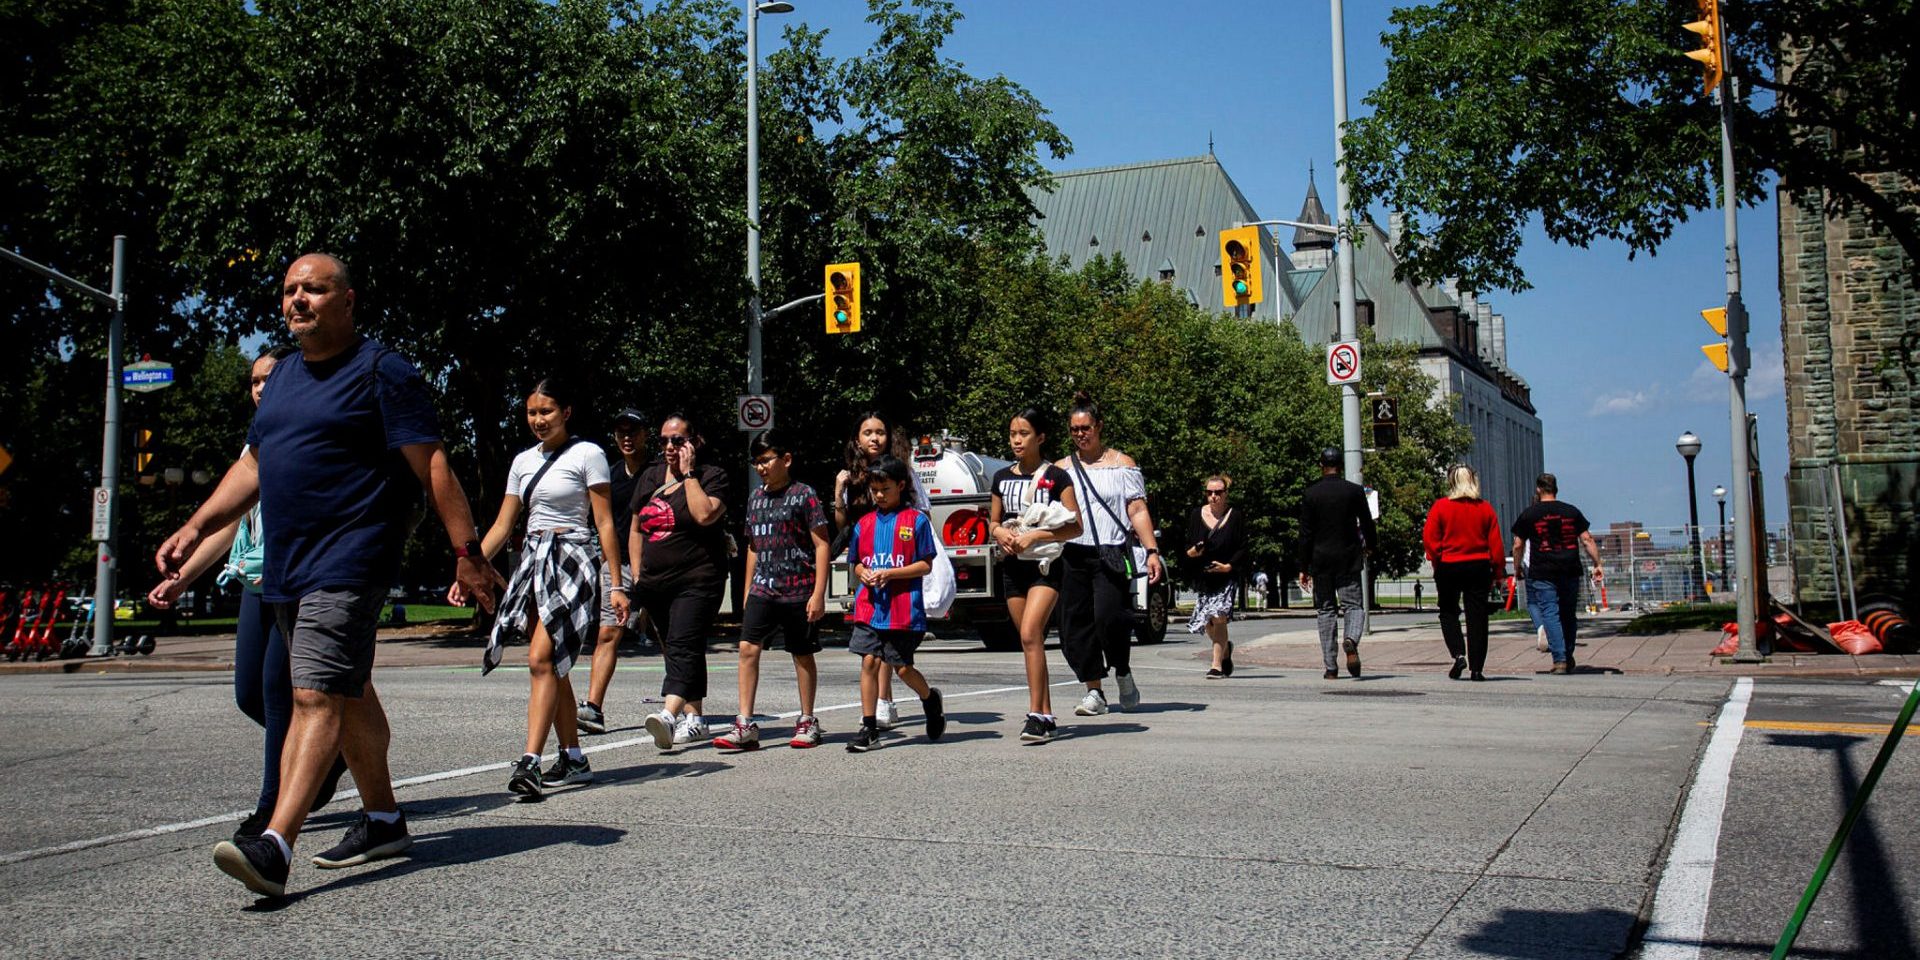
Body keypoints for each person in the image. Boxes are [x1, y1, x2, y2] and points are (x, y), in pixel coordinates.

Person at [160, 252, 502, 898]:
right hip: (289, 563)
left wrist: (468, 552)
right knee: (348, 692)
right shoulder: (284, 376)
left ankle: (275, 843)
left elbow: (432, 466)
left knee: (313, 695)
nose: (298, 301)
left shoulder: (382, 370)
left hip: (350, 559)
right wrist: (197, 525)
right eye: (290, 291)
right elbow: (254, 466)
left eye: (313, 290)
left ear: (347, 301)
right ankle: (382, 819)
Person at [146, 344, 347, 841]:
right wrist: (184, 576)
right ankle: (330, 754)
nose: (260, 388)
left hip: (298, 580)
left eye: (269, 379)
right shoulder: (253, 449)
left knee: (281, 696)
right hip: (255, 581)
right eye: (254, 382)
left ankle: (271, 810)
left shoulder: (306, 434)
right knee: (248, 695)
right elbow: (228, 522)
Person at [468, 379, 626, 799]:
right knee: (555, 662)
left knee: (540, 657)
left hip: (573, 561)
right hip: (535, 561)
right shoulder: (522, 461)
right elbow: (504, 525)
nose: (538, 420)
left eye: (547, 412)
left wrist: (617, 583)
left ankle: (530, 763)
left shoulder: (588, 453)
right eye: (532, 413)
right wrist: (470, 566)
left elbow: (604, 522)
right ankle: (574, 757)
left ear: (566, 412)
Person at [717, 429, 832, 750]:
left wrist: (818, 593)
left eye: (766, 460)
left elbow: (821, 544)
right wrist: (746, 591)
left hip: (799, 589)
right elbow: (752, 547)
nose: (761, 467)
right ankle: (745, 723)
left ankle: (808, 719)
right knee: (747, 649)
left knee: (802, 654)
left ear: (786, 459)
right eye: (756, 462)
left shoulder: (804, 495)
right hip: (763, 589)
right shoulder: (755, 499)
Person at [1056, 392, 1165, 715]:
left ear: (1099, 426)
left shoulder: (1122, 465)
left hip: (1111, 553)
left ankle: (1122, 669)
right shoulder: (1062, 469)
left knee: (1109, 618)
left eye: (1086, 427)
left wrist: (1151, 551)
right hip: (1073, 553)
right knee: (1075, 626)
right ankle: (1094, 691)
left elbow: (1137, 509)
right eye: (1074, 429)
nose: (1080, 434)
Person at [631, 412, 732, 752]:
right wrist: (635, 573)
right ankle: (697, 720)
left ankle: (669, 714)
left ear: (694, 442)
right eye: (664, 441)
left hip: (699, 577)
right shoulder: (649, 477)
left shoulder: (712, 476)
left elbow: (704, 514)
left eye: (678, 440)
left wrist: (689, 475)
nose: (670, 447)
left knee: (683, 642)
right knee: (677, 648)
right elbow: (635, 528)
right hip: (656, 581)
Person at [987, 407, 1081, 742]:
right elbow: (994, 522)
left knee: (1029, 633)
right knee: (1031, 642)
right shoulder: (1001, 478)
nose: (1016, 440)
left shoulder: (1056, 477)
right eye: (1013, 433)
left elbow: (1074, 526)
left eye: (1023, 433)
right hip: (1013, 567)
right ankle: (1046, 714)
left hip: (1045, 566)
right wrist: (999, 534)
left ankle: (1036, 715)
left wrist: (1035, 536)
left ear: (1040, 437)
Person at [844, 456, 947, 753]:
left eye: (885, 489)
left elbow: (925, 565)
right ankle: (869, 727)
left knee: (901, 668)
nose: (879, 495)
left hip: (903, 610)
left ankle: (929, 699)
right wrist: (866, 575)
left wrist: (891, 573)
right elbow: (858, 565)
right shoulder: (864, 524)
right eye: (874, 489)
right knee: (869, 660)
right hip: (870, 606)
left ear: (901, 486)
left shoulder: (916, 521)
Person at [833, 412, 924, 730]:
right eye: (867, 432)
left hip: (897, 565)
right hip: (865, 561)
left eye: (880, 432)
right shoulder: (850, 477)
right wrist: (838, 494)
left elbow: (918, 515)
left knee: (889, 638)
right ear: (857, 439)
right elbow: (843, 527)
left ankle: (885, 701)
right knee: (871, 639)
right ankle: (877, 706)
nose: (874, 438)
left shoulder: (902, 473)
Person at [577, 407, 649, 735]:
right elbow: (600, 522)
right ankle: (593, 707)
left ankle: (686, 709)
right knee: (608, 632)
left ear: (646, 434)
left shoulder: (659, 472)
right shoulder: (609, 476)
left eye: (633, 431)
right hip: (618, 566)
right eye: (621, 432)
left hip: (659, 563)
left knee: (673, 635)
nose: (627, 438)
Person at [1512, 473, 1605, 674]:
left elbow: (1518, 544)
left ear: (1538, 489)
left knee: (1550, 613)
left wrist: (1517, 567)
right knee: (1568, 613)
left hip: (1542, 570)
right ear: (1556, 489)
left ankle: (1560, 658)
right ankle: (1568, 653)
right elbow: (1587, 539)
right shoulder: (1571, 512)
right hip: (1570, 568)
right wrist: (1597, 563)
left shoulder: (1529, 514)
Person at [1297, 447, 1377, 680]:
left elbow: (1305, 533)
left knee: (1326, 611)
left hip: (1320, 560)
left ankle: (1331, 666)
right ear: (1340, 465)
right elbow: (1366, 522)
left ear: (1321, 465)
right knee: (1353, 606)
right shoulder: (1353, 491)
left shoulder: (1311, 494)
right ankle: (1351, 639)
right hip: (1348, 558)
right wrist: (1370, 546)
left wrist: (1303, 566)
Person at [1423, 464, 1506, 681]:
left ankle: (1459, 653)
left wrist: (1437, 559)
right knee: (1477, 616)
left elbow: (1430, 539)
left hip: (1449, 565)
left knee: (1448, 611)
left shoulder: (1441, 507)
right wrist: (1498, 572)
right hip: (1479, 566)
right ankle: (1477, 668)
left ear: (1451, 482)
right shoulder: (1485, 508)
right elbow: (1496, 545)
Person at [1185, 474, 1248, 679]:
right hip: (1204, 576)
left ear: (1226, 493)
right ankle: (1225, 650)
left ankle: (1216, 665)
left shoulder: (1235, 516)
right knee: (1207, 622)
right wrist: (1194, 552)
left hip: (1226, 575)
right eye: (1209, 492)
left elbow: (1243, 547)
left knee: (1219, 617)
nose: (1213, 496)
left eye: (1218, 492)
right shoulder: (1196, 514)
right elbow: (1188, 547)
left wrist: (1229, 566)